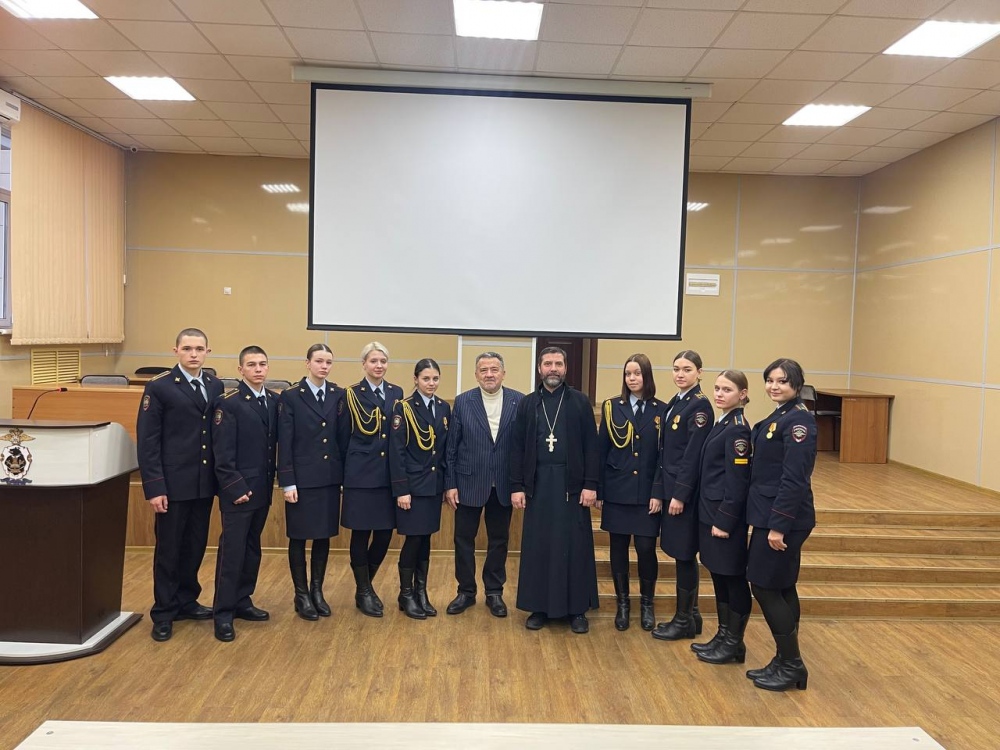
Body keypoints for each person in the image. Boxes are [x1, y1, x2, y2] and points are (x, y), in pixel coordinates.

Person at [136, 328, 224, 642]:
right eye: (187, 348)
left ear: (208, 352)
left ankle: (187, 601)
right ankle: (164, 611)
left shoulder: (214, 385)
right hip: (172, 485)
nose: (194, 354)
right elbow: (148, 441)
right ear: (176, 351)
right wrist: (155, 486)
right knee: (169, 550)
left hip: (203, 484)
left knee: (195, 546)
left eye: (199, 349)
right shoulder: (159, 387)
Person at [511, 347, 599, 634]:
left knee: (574, 546)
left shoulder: (579, 402)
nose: (553, 368)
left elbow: (592, 446)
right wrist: (517, 486)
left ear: (565, 368)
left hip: (571, 486)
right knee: (539, 546)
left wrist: (590, 485)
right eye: (548, 363)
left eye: (558, 363)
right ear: (539, 368)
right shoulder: (527, 404)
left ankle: (577, 610)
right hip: (537, 486)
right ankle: (539, 608)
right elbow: (517, 449)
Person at [745, 358, 816, 691]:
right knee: (783, 586)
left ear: (797, 385)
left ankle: (792, 663)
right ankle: (785, 659)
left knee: (764, 586)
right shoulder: (781, 415)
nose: (774, 386)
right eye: (770, 380)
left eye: (783, 381)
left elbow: (794, 479)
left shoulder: (799, 421)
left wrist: (779, 526)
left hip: (782, 519)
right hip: (769, 514)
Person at [444, 352, 524, 618]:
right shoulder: (463, 401)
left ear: (503, 373)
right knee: (463, 540)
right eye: (484, 370)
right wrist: (450, 483)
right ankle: (466, 591)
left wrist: (520, 485)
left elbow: (523, 448)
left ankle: (494, 592)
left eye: (494, 369)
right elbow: (451, 448)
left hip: (503, 484)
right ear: (476, 374)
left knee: (499, 540)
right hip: (468, 483)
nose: (489, 374)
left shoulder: (519, 401)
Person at [211, 345, 278, 642]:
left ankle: (243, 600)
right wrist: (234, 488)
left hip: (262, 489)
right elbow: (222, 453)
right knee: (232, 552)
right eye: (251, 365)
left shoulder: (273, 401)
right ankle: (223, 613)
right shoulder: (229, 403)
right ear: (240, 370)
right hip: (238, 491)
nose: (258, 369)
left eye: (262, 364)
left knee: (252, 549)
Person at [596, 354, 666, 631]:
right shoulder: (612, 407)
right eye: (628, 374)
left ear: (647, 376)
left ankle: (647, 604)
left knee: (646, 548)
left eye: (637, 373)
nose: (632, 378)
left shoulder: (662, 410)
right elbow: (602, 451)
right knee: (618, 548)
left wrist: (658, 492)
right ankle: (623, 605)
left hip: (647, 493)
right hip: (618, 491)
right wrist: (600, 490)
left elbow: (664, 458)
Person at [277, 344, 345, 621]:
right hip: (302, 480)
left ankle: (317, 590)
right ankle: (301, 593)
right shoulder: (291, 396)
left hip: (328, 477)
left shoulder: (338, 394)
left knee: (322, 535)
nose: (324, 366)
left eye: (328, 362)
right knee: (299, 536)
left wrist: (342, 476)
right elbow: (285, 441)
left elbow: (341, 438)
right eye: (319, 361)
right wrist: (287, 481)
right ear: (307, 363)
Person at [652, 349, 714, 642]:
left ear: (699, 373)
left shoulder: (699, 406)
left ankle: (683, 620)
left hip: (683, 495)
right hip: (671, 489)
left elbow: (692, 456)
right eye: (676, 369)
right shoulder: (677, 402)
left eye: (687, 369)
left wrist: (679, 495)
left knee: (684, 554)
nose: (680, 374)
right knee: (680, 552)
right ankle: (693, 615)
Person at [692, 370, 752, 665]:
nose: (719, 394)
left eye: (727, 389)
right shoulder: (723, 422)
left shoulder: (738, 430)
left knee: (732, 579)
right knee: (719, 576)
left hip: (724, 518)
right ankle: (724, 635)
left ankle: (734, 642)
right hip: (710, 513)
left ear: (742, 394)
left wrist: (724, 520)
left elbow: (737, 482)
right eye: (716, 388)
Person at [339, 342, 403, 618]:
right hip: (361, 474)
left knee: (384, 534)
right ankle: (364, 590)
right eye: (374, 361)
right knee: (361, 533)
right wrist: (345, 474)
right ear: (364, 364)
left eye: (383, 361)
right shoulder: (351, 394)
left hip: (388, 476)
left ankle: (365, 586)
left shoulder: (396, 392)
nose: (379, 366)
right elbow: (343, 436)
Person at [389, 358, 450, 619]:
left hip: (433, 486)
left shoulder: (443, 407)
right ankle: (405, 593)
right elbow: (397, 452)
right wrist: (401, 489)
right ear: (415, 380)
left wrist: (446, 486)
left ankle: (420, 592)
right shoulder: (403, 408)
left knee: (425, 539)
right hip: (412, 487)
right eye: (426, 378)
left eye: (435, 378)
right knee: (413, 539)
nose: (431, 383)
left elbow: (444, 450)